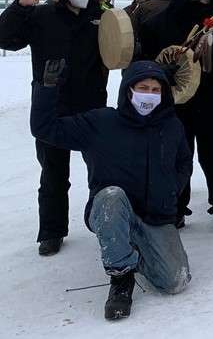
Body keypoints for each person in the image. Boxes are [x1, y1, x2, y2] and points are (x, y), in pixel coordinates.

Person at [31, 59, 191, 320]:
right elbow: (45, 129)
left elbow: (183, 162)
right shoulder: (101, 122)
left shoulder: (171, 126)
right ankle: (121, 277)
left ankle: (133, 249)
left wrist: (171, 190)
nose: (149, 95)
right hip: (113, 210)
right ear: (129, 90)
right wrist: (46, 88)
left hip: (155, 215)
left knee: (175, 282)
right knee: (112, 196)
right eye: (143, 87)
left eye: (155, 90)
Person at [0, 0, 110, 256]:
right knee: (53, 173)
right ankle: (51, 230)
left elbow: (122, 50)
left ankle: (104, 223)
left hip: (91, 104)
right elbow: (6, 39)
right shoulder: (41, 15)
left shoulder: (101, 17)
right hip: (52, 106)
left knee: (101, 170)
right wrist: (20, 8)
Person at [136, 0, 213, 233]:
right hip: (174, 101)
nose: (203, 4)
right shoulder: (155, 24)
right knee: (174, 155)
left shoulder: (212, 24)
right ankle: (174, 207)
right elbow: (145, 60)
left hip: (210, 96)